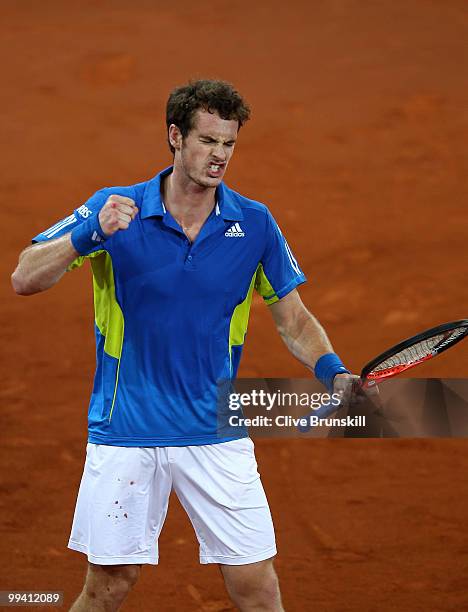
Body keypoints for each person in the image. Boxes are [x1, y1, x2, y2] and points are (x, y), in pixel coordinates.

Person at [11, 79, 356, 612]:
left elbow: (293, 318)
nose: (219, 156)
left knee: (257, 585)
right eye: (207, 141)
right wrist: (89, 236)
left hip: (216, 431)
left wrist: (331, 368)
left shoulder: (256, 223)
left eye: (229, 144)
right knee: (108, 586)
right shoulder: (114, 208)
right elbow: (23, 277)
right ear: (175, 136)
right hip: (126, 429)